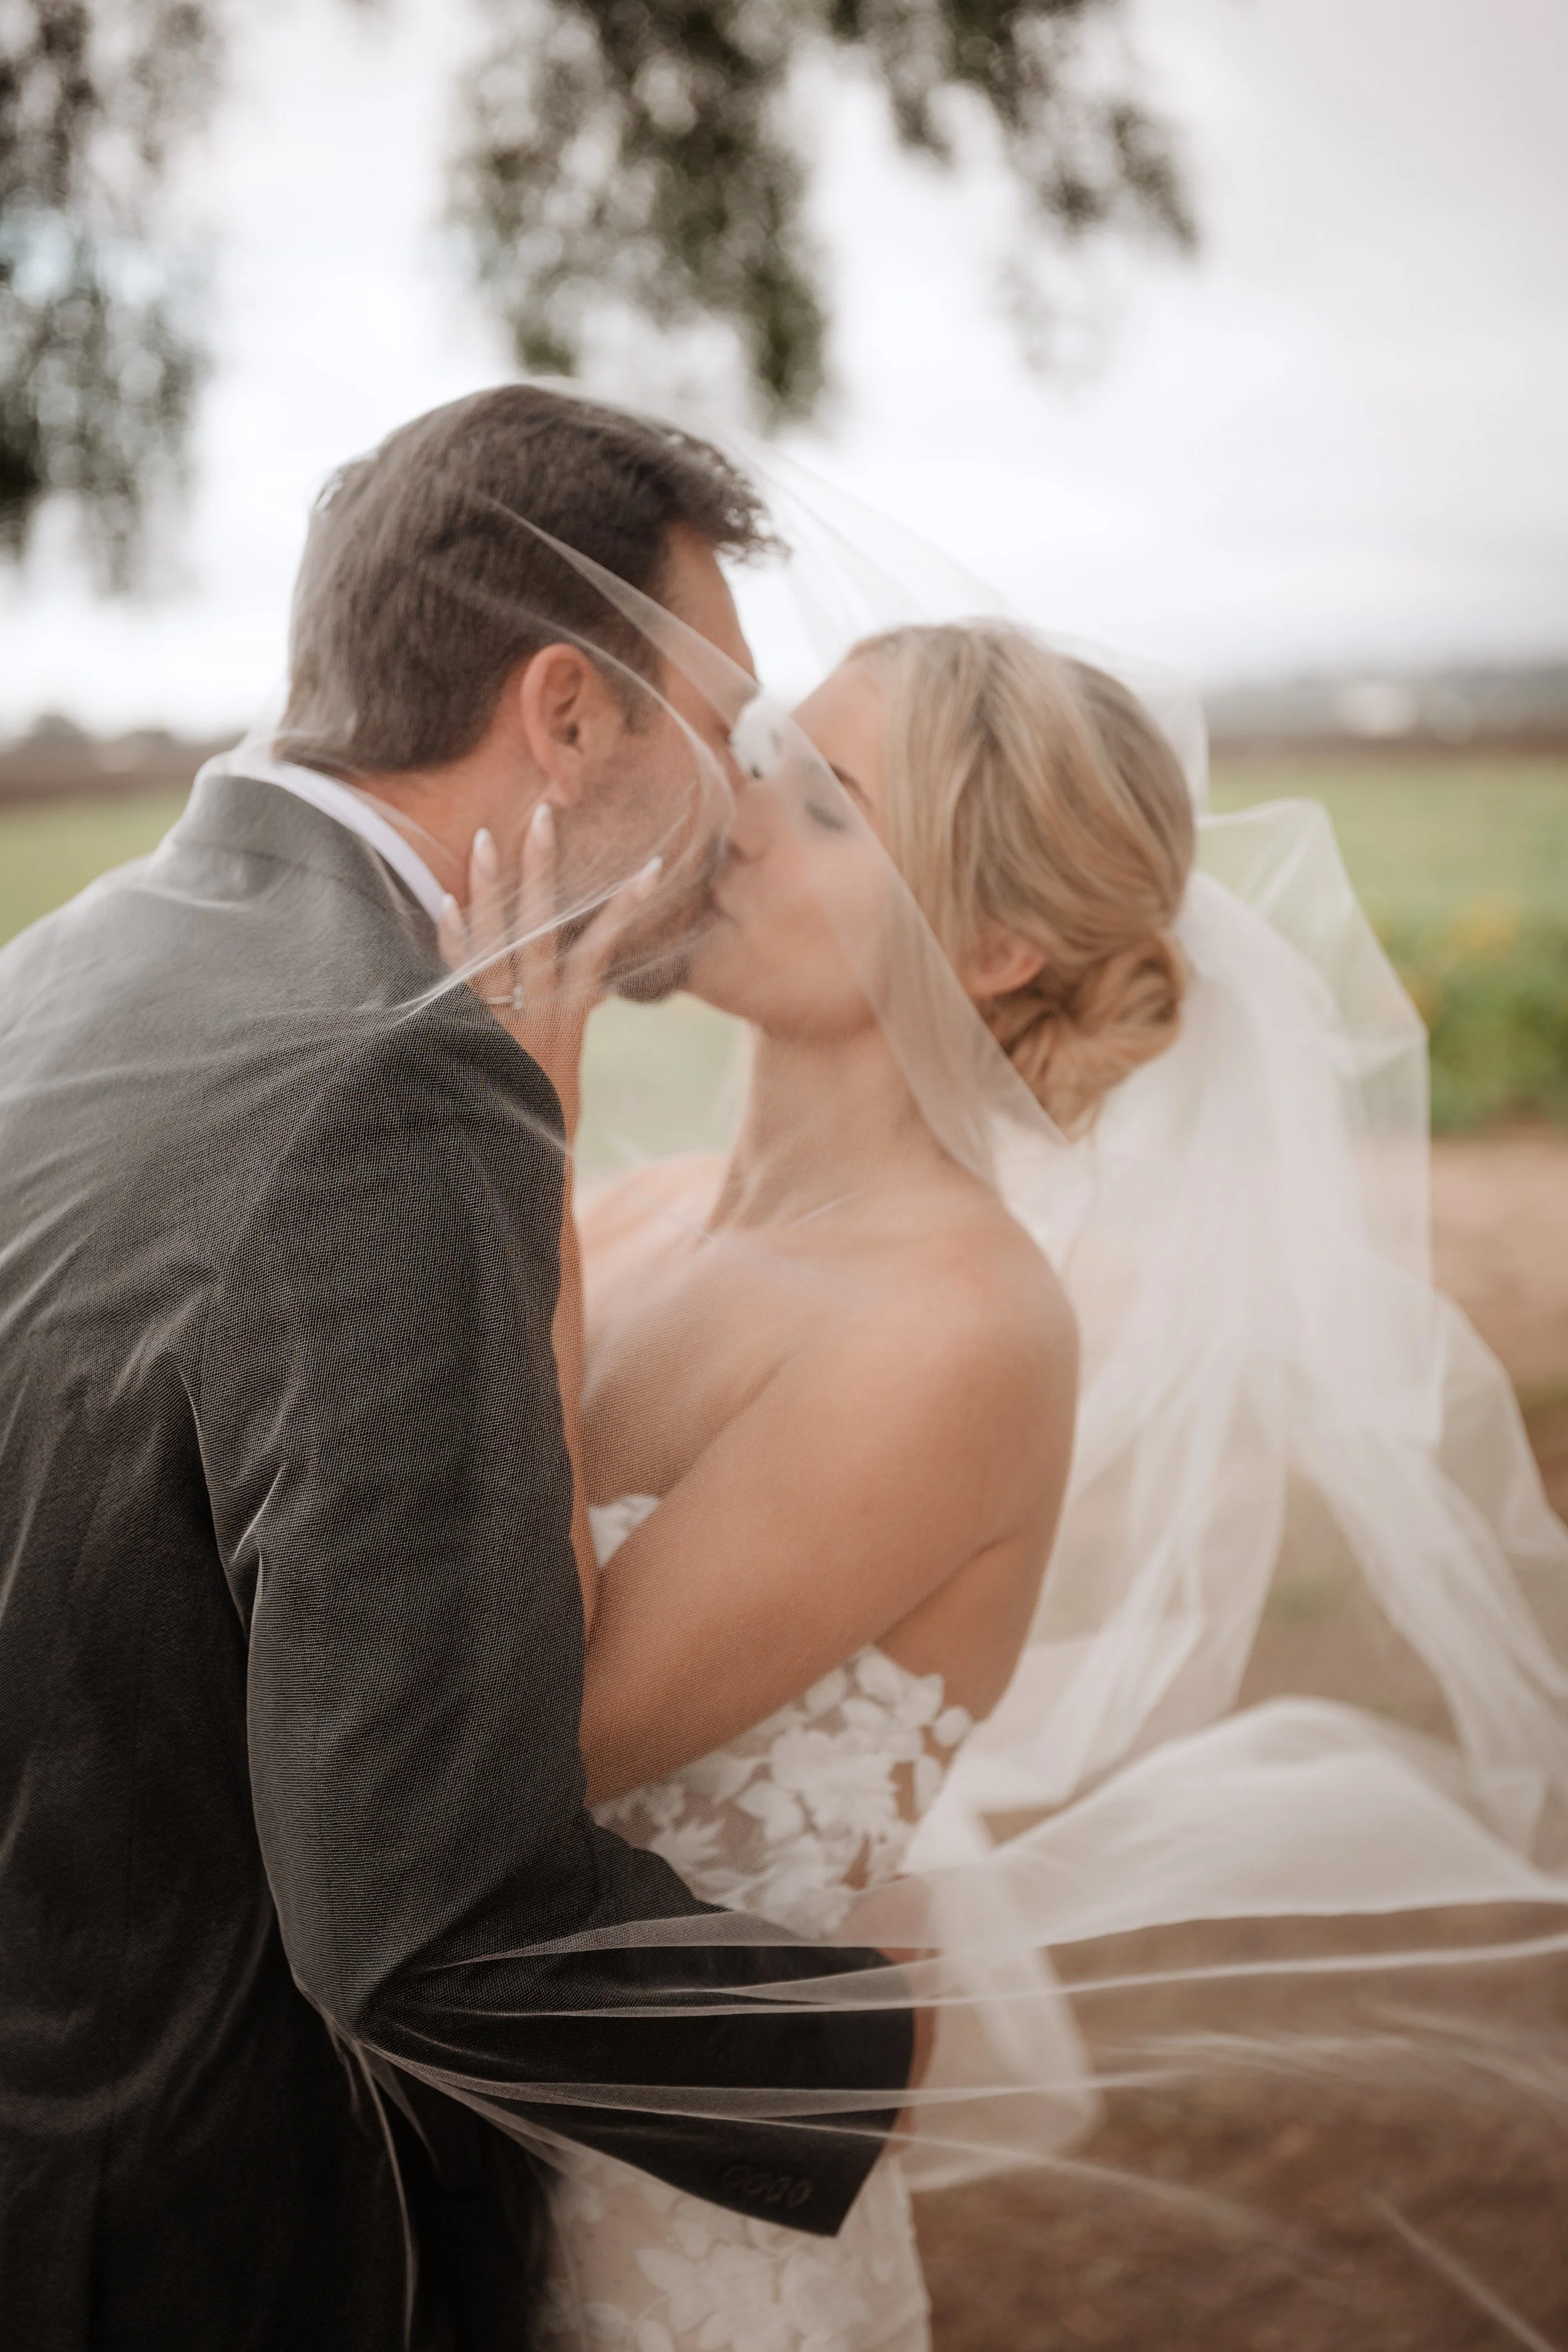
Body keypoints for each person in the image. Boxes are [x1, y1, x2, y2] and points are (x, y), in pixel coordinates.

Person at [0, 386, 921, 2352]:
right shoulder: (406, 1083)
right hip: (226, 2235)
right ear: (568, 713)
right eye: (719, 723)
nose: (737, 791)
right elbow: (425, 1921)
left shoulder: (71, 953)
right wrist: (882, 2055)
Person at [457, 622, 1195, 2349]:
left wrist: (527, 1106)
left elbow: (544, 1740)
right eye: (767, 754)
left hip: (662, 2234)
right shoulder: (637, 1220)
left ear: (996, 944)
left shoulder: (961, 1326)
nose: (734, 813)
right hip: (429, 2177)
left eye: (830, 807)